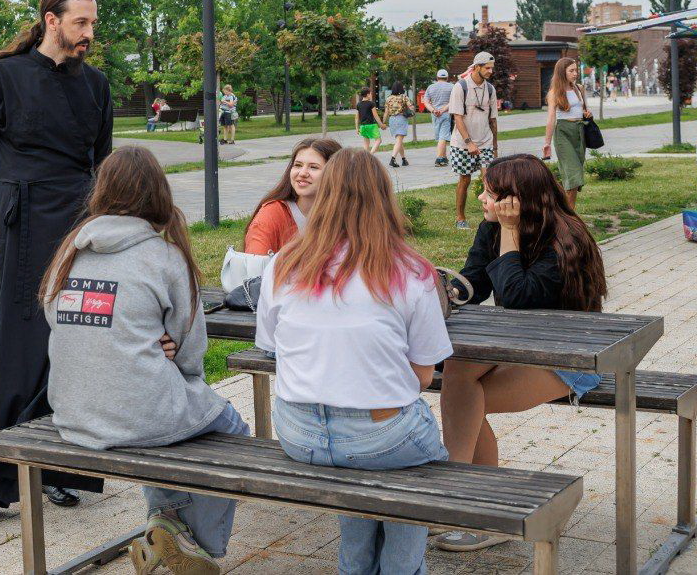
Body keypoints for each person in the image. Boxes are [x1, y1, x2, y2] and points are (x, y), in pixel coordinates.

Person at [41, 146, 249, 575]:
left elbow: (54, 317)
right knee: (230, 429)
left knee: (169, 422)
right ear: (158, 192)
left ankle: (167, 526)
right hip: (139, 413)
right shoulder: (166, 256)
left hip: (73, 413)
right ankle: (194, 544)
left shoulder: (71, 249)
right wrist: (168, 358)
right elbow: (192, 355)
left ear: (101, 190)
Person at [0, 0, 114, 522]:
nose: (89, 33)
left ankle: (59, 468)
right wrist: (15, 206)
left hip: (77, 222)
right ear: (51, 20)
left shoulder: (96, 86)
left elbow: (101, 160)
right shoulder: (1, 77)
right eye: (81, 23)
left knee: (70, 343)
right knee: (8, 347)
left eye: (93, 23)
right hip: (20, 224)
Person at [257, 149, 452, 574]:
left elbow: (271, 347)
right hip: (380, 437)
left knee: (361, 460)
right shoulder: (412, 271)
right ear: (383, 198)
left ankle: (356, 567)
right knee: (412, 458)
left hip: (298, 433)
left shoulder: (281, 265)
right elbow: (423, 376)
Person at [436, 153, 607, 553]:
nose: (481, 198)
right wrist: (444, 289)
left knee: (462, 401)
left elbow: (516, 299)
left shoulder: (567, 239)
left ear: (517, 201)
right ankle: (466, 499)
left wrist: (510, 233)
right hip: (515, 345)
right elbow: (475, 284)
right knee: (458, 370)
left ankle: (458, 499)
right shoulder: (491, 228)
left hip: (569, 357)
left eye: (491, 193)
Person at [244, 138, 342, 254]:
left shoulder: (344, 215)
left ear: (336, 174)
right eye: (298, 165)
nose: (302, 173)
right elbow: (254, 268)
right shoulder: (272, 214)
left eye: (313, 167)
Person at [449, 52, 499, 230]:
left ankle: (491, 217)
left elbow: (493, 119)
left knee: (489, 180)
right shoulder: (460, 87)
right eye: (487, 68)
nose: (490, 71)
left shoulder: (490, 89)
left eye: (491, 68)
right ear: (477, 67)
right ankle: (460, 217)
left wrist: (494, 146)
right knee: (465, 179)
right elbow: (458, 118)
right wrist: (469, 142)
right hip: (463, 143)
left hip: (485, 140)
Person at [542, 56, 593, 207]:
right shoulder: (554, 92)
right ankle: (569, 217)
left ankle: (567, 213)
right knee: (573, 175)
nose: (575, 73)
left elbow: (584, 110)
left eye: (576, 70)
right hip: (563, 133)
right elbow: (551, 119)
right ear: (562, 72)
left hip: (579, 132)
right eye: (571, 71)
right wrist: (547, 143)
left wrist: (587, 114)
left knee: (574, 181)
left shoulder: (579, 88)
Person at [380, 81, 413, 168]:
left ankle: (403, 159)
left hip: (392, 120)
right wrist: (410, 111)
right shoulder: (404, 97)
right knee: (399, 140)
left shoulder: (388, 98)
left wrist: (383, 123)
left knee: (399, 140)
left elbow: (386, 112)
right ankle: (393, 159)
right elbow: (411, 107)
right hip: (401, 118)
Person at [425, 70, 455, 167]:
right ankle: (439, 158)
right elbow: (453, 101)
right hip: (445, 114)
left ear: (437, 77)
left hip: (434, 115)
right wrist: (442, 110)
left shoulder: (430, 87)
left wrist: (433, 111)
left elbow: (426, 102)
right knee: (443, 136)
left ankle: (444, 157)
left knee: (441, 137)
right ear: (447, 78)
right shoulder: (452, 87)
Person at [354, 87, 382, 154]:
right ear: (367, 94)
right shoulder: (371, 104)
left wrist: (357, 128)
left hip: (363, 126)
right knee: (378, 140)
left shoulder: (358, 104)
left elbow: (356, 117)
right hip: (371, 125)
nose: (371, 95)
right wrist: (381, 124)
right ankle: (370, 155)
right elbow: (376, 116)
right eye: (370, 93)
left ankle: (365, 158)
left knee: (366, 143)